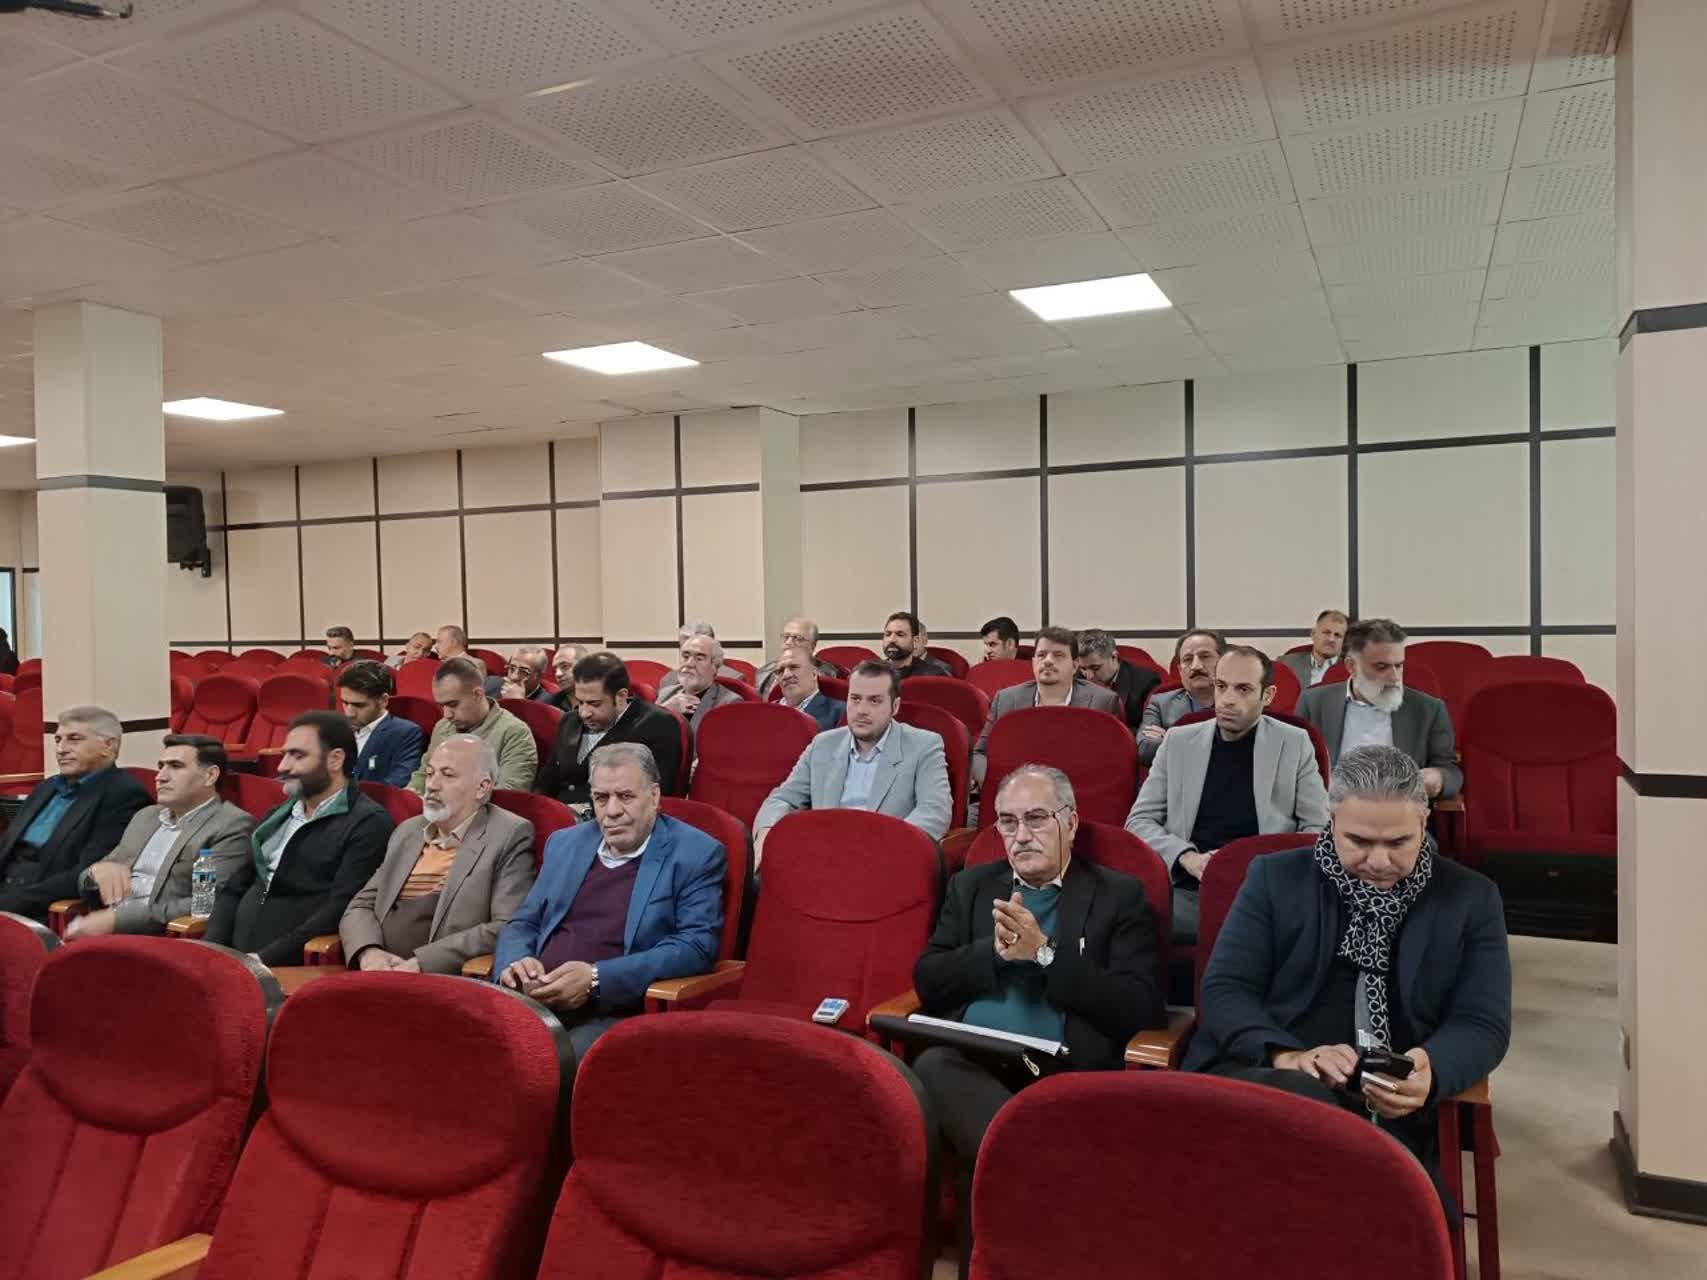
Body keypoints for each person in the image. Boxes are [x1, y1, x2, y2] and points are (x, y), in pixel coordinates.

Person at [1186, 745, 1511, 1203]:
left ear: (1424, 824)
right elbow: (1225, 990)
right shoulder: (1275, 878)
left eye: (1398, 843)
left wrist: (1431, 1069)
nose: (1378, 862)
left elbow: (1482, 1021)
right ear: (1331, 822)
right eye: (1358, 841)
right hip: (1266, 1073)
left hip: (1387, 1100)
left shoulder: (1470, 898)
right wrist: (1286, 1056)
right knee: (1316, 1132)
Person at [913, 764, 1163, 1272]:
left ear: (1070, 822)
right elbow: (929, 979)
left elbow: (1139, 1005)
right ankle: (1029, 1164)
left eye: (1035, 818)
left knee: (979, 1158)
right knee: (932, 1064)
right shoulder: (971, 887)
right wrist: (995, 954)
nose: (1021, 835)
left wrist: (1043, 953)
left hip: (1061, 1071)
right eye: (1007, 822)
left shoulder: (1119, 895)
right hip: (970, 1061)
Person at [495, 743, 726, 1062]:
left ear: (654, 797)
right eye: (601, 798)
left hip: (614, 1010)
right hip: (536, 998)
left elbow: (696, 946)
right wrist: (516, 962)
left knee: (540, 1064)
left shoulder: (695, 853)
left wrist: (596, 978)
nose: (612, 811)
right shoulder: (565, 843)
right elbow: (525, 922)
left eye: (625, 796)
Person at [1126, 646, 1329, 944]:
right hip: (1189, 886)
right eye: (1221, 686)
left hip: (1265, 886)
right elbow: (1139, 822)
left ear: (1268, 695)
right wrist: (1187, 858)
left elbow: (1317, 829)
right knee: (1130, 919)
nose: (1227, 699)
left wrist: (1262, 868)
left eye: (1243, 689)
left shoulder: (1294, 743)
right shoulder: (1178, 742)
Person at [204, 711, 393, 966]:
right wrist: (211, 949)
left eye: (298, 755)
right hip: (236, 957)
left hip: (289, 963)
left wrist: (264, 959)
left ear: (335, 759)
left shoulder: (367, 823)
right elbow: (235, 887)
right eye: (285, 754)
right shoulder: (277, 815)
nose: (282, 767)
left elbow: (339, 908)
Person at [340, 735, 535, 974]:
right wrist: (369, 951)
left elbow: (506, 926)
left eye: (448, 775)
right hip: (376, 970)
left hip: (440, 977)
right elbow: (360, 905)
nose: (431, 785)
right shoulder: (408, 831)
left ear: (482, 787)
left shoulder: (508, 834)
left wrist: (422, 962)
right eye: (430, 773)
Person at [753, 660, 952, 864]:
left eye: (874, 701)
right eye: (855, 699)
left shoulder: (924, 745)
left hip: (886, 859)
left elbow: (935, 811)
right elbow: (783, 799)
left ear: (895, 706)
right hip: (823, 857)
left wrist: (885, 846)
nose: (861, 710)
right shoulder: (823, 744)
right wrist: (766, 832)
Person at [66, 735, 252, 938]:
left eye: (175, 766)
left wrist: (118, 921)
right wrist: (94, 874)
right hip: (106, 926)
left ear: (210, 775)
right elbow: (93, 875)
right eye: (160, 766)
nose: (160, 777)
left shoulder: (230, 825)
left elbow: (206, 903)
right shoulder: (146, 817)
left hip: (161, 937)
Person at [0, 706, 150, 923]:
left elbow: (84, 874)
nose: (61, 749)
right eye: (58, 740)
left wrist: (8, 903)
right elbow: (7, 847)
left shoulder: (124, 795)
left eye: (74, 739)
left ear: (108, 745)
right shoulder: (47, 787)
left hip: (40, 906)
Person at [1295, 618, 1462, 799]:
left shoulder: (1429, 709)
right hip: (1330, 809)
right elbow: (1294, 767)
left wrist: (1439, 777)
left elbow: (1450, 770)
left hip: (1401, 810)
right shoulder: (1313, 703)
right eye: (1381, 667)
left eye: (1399, 665)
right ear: (1351, 666)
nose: (1394, 677)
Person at [972, 627, 1122, 785]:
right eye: (1041, 655)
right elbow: (980, 753)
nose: (1048, 661)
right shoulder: (1006, 699)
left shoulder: (1102, 701)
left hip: (1079, 790)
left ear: (1074, 665)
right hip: (1017, 790)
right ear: (1033, 662)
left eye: (1058, 655)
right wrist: (1000, 786)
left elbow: (1111, 762)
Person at [536, 652, 685, 808]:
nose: (584, 713)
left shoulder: (657, 725)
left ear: (621, 696)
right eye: (580, 702)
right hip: (560, 815)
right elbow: (547, 781)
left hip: (617, 816)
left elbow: (655, 794)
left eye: (595, 704)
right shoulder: (569, 721)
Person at [408, 657, 537, 793]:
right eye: (441, 706)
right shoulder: (442, 727)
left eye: (453, 704)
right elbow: (424, 774)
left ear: (477, 694)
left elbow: (508, 795)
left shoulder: (515, 733)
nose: (447, 715)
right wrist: (411, 793)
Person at [1138, 629, 1224, 765]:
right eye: (1188, 659)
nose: (1196, 666)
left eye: (1205, 656)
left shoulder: (1242, 702)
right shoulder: (1160, 704)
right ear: (1180, 670)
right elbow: (1145, 751)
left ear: (1223, 662)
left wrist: (1170, 737)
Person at [339, 660, 424, 788]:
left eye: (359, 705)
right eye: (345, 703)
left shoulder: (405, 734)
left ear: (383, 700)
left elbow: (397, 783)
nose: (349, 713)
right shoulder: (333, 728)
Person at [655, 628, 742, 745]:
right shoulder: (665, 694)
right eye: (685, 656)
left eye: (699, 658)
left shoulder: (729, 702)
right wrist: (666, 711)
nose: (689, 663)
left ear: (715, 666)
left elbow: (715, 748)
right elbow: (645, 737)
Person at [1076, 628, 1161, 730]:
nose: (1089, 676)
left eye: (1095, 668)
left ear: (1114, 657)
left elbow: (1146, 730)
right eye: (1083, 668)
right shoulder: (1075, 679)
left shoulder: (1146, 681)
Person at [752, 617, 840, 698]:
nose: (788, 642)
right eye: (786, 637)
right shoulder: (764, 673)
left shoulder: (829, 674)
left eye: (797, 638)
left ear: (813, 645)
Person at [772, 647, 845, 732]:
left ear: (814, 673)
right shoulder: (767, 710)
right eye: (780, 671)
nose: (786, 675)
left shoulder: (839, 711)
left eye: (794, 667)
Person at [1277, 610, 1349, 688]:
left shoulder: (1351, 670)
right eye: (1326, 632)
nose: (1331, 639)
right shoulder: (1286, 664)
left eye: (1337, 635)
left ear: (1344, 641)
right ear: (1313, 634)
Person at [883, 611, 952, 680]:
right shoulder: (876, 672)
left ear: (915, 641)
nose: (892, 639)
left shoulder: (936, 675)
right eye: (888, 634)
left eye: (900, 635)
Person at [486, 644, 553, 702]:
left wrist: (519, 702)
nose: (514, 677)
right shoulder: (490, 683)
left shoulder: (548, 703)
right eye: (512, 668)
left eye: (523, 671)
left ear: (539, 675)